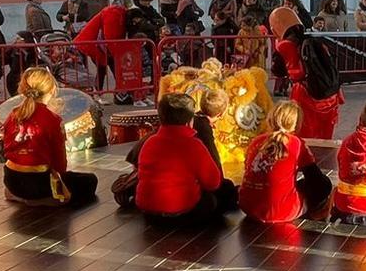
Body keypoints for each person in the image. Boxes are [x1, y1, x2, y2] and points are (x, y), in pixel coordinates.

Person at [0, 67, 98, 207]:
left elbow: (6, 149)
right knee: (90, 181)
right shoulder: (52, 119)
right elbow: (60, 162)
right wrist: (63, 179)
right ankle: (43, 199)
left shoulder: (13, 115)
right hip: (38, 183)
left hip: (11, 179)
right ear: (52, 90)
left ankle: (17, 194)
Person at [133, 92, 225, 227]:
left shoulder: (150, 142)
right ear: (189, 122)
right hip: (181, 213)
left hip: (148, 212)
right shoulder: (194, 145)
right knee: (221, 193)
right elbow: (213, 182)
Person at [239, 101, 332, 223]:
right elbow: (315, 178)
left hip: (248, 207)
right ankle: (316, 213)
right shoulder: (296, 144)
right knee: (324, 184)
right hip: (281, 211)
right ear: (296, 124)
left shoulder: (256, 141)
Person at [282, 24, 344, 139]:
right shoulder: (317, 43)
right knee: (326, 133)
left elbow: (294, 73)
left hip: (307, 93)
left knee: (306, 131)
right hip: (329, 93)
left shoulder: (289, 46)